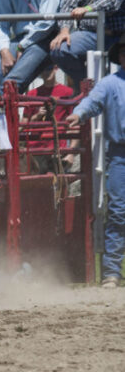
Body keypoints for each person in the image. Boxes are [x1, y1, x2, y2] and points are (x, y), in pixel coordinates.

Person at [65, 34, 125, 288]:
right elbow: (92, 102)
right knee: (119, 211)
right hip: (120, 154)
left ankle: (112, 271)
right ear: (120, 56)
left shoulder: (111, 83)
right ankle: (111, 271)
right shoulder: (110, 84)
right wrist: (78, 113)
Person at [50, 0, 125, 90]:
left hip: (118, 36)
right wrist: (64, 30)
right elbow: (68, 5)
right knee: (59, 49)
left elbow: (112, 1)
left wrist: (87, 9)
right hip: (89, 34)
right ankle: (88, 87)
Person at [0, 0, 62, 93]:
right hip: (22, 40)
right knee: (2, 71)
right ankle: (5, 106)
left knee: (12, 81)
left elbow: (47, 24)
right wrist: (4, 51)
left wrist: (22, 46)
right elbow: (1, 25)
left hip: (45, 38)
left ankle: (4, 106)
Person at [19, 65, 77, 173]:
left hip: (57, 149)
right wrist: (37, 116)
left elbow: (73, 124)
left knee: (58, 186)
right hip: (35, 151)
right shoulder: (32, 94)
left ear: (55, 68)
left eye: (49, 68)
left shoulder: (67, 93)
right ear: (40, 73)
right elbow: (23, 125)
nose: (46, 72)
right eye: (43, 69)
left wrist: (71, 153)